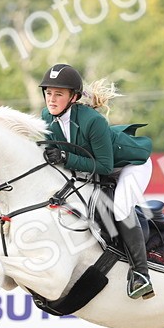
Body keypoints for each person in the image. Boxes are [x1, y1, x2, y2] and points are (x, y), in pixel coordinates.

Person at [38, 63, 155, 299]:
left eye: (58, 94)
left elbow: (104, 166)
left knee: (120, 208)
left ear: (73, 97)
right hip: (96, 168)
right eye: (48, 93)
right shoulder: (46, 117)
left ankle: (141, 274)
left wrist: (65, 157)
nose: (51, 99)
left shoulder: (93, 121)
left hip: (129, 165)